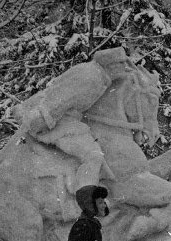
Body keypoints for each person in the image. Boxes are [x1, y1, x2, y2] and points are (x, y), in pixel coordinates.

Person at [13, 47, 135, 193]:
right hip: (52, 120)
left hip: (64, 119)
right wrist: (41, 119)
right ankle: (84, 198)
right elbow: (60, 99)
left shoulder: (100, 76)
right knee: (93, 155)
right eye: (121, 64)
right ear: (110, 65)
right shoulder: (91, 77)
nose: (123, 68)